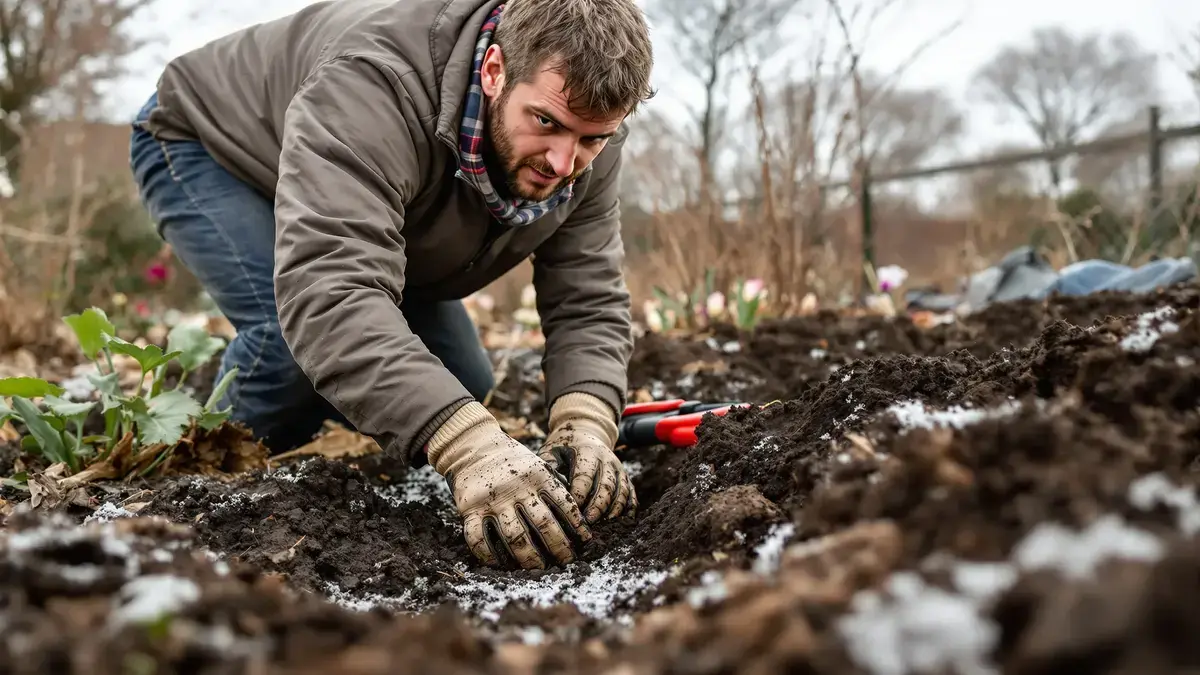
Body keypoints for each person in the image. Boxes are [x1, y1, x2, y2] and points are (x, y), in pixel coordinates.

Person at [128, 0, 655, 571]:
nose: (562, 162)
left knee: (464, 384)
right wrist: (468, 446)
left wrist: (587, 418)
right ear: (496, 70)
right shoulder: (372, 85)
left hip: (378, 202)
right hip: (212, 145)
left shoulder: (583, 137)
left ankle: (305, 423)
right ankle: (174, 479)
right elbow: (330, 291)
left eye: (592, 139)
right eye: (545, 123)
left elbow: (588, 296)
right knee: (287, 344)